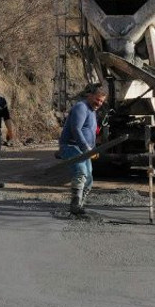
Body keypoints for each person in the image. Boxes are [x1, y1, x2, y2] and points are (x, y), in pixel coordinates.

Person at [58, 83, 107, 217]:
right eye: (97, 99)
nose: (99, 103)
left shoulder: (92, 111)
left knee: (89, 179)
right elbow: (76, 129)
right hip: (71, 146)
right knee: (81, 172)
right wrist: (86, 148)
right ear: (90, 96)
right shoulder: (81, 107)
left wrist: (93, 149)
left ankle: (80, 205)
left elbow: (90, 132)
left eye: (101, 101)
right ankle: (75, 206)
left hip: (84, 150)